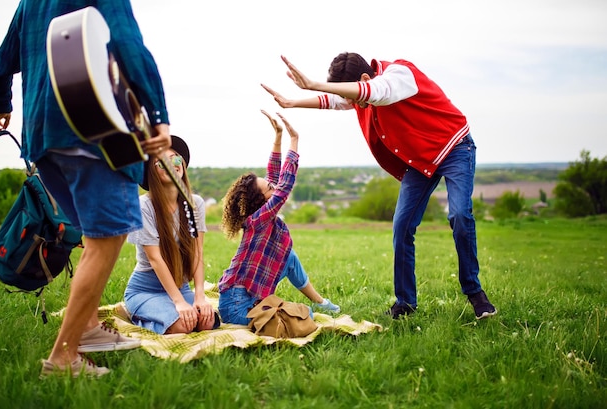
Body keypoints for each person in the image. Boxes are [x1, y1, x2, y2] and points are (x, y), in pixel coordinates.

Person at [0, 0, 173, 377]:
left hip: (42, 136)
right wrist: (158, 116)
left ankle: (86, 327)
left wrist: (2, 105)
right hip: (95, 134)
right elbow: (127, 43)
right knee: (108, 236)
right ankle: (64, 357)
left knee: (95, 233)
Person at [261, 53, 497, 320]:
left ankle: (475, 294)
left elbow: (375, 92)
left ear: (363, 78)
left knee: (459, 215)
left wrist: (314, 84)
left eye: (352, 96)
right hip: (420, 161)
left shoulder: (399, 75)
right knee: (402, 225)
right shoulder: (361, 93)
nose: (351, 104)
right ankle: (405, 302)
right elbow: (336, 101)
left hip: (454, 147)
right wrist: (293, 102)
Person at [217, 110, 340, 325]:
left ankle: (320, 301)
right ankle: (307, 308)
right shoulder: (258, 220)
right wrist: (294, 140)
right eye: (269, 188)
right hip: (236, 307)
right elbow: (283, 186)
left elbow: (273, 177)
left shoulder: (259, 213)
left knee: (289, 257)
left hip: (244, 299)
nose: (273, 185)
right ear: (262, 200)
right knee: (305, 317)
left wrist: (278, 138)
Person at [124, 135, 219, 334]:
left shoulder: (195, 203)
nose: (172, 164)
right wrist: (179, 303)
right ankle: (141, 317)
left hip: (181, 286)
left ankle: (170, 311)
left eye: (176, 159)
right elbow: (155, 259)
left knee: (206, 322)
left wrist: (199, 295)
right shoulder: (144, 206)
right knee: (183, 325)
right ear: (151, 170)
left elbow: (197, 252)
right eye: (162, 162)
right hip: (145, 290)